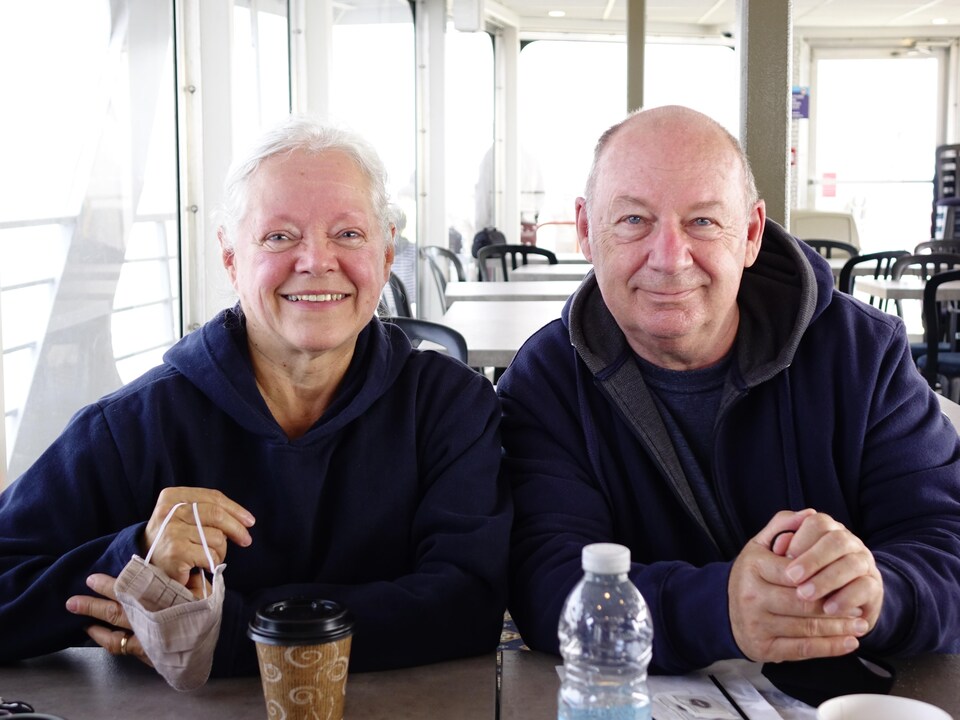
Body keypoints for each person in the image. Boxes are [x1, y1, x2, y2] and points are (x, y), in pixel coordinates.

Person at [0, 116, 510, 677]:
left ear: (387, 255)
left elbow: (469, 604)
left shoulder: (450, 407)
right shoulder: (134, 426)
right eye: (279, 236)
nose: (317, 261)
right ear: (230, 258)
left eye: (348, 234)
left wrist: (218, 632)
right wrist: (137, 559)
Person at [498, 105, 960, 675]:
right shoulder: (546, 379)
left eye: (703, 222)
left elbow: (946, 543)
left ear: (751, 234)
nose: (669, 259)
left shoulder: (862, 355)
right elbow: (546, 581)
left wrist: (877, 592)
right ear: (587, 231)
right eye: (634, 220)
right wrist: (722, 609)